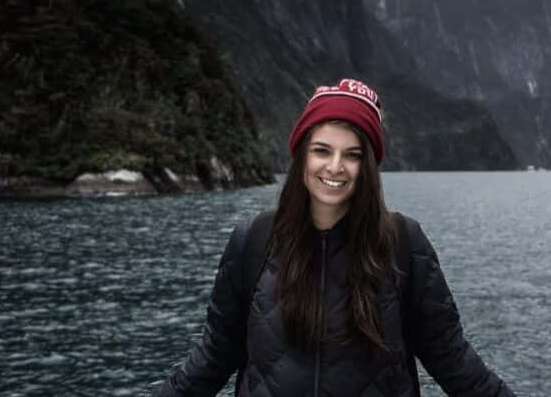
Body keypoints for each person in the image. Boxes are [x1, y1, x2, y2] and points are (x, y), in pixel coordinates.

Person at [157, 78, 514, 396]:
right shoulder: (253, 241)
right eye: (322, 150)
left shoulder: (403, 244)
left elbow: (454, 364)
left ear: (368, 167)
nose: (335, 167)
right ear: (302, 156)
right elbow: (213, 358)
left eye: (352, 155)